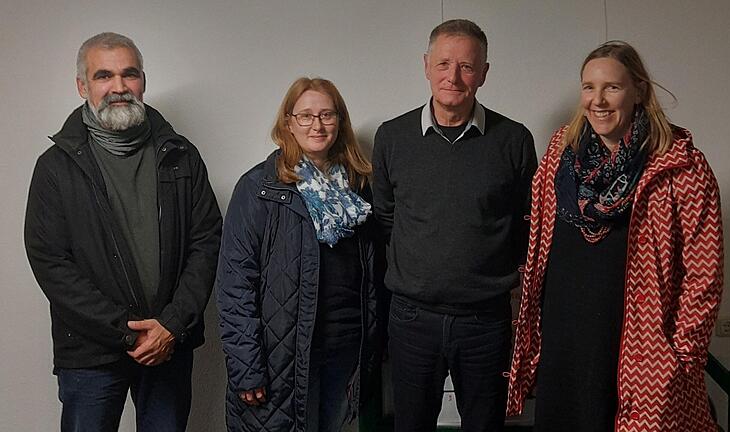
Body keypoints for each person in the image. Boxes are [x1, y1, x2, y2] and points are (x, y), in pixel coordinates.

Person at [505, 41, 724, 432]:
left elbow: (703, 277)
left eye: (612, 87)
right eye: (589, 87)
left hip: (639, 354)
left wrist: (681, 359)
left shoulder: (681, 166)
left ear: (639, 90)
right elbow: (537, 240)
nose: (598, 100)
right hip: (565, 342)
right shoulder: (561, 153)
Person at [24, 32, 222, 431]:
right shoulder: (56, 167)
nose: (118, 87)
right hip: (90, 354)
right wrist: (127, 333)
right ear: (83, 86)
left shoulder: (181, 155)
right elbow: (51, 263)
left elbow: (207, 242)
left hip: (169, 345)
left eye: (129, 75)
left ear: (143, 81)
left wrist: (171, 325)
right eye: (103, 76)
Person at [373, 19, 537, 432]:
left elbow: (527, 221)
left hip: (486, 321)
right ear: (426, 65)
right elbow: (386, 218)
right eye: (444, 63)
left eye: (467, 66)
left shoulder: (514, 139)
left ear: (484, 73)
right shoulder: (392, 137)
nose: (454, 76)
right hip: (412, 319)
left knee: (485, 426)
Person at [217, 77, 378, 432]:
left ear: (340, 121)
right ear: (288, 122)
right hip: (280, 359)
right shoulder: (258, 188)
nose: (317, 125)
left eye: (326, 115)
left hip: (344, 352)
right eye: (305, 116)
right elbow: (234, 287)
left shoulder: (359, 187)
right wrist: (247, 367)